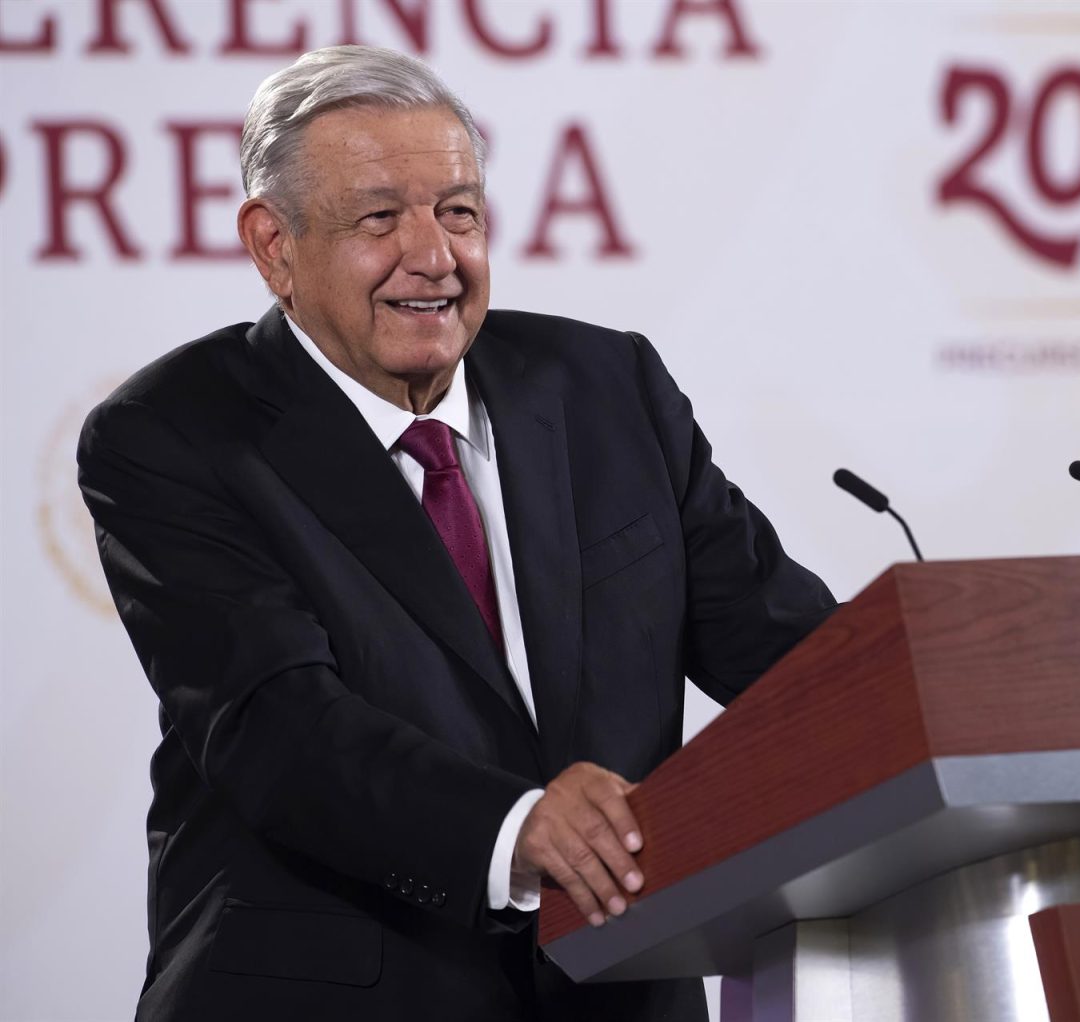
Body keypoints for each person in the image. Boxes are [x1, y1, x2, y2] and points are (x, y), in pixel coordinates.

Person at [77, 45, 837, 1022]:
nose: (433, 255)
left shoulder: (608, 388)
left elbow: (793, 656)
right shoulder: (177, 431)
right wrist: (516, 826)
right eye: (380, 217)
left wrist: (964, 677)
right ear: (274, 245)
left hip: (617, 989)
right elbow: (277, 728)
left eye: (460, 211)